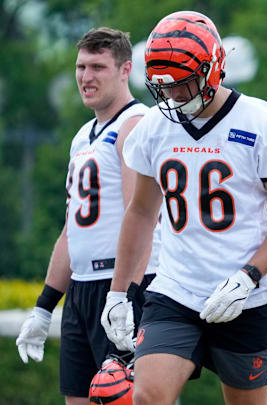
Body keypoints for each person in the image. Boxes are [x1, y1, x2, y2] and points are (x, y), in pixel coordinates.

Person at [99, 11, 267, 405]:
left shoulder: (262, 123)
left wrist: (247, 277)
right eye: (165, 85)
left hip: (245, 297)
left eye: (184, 83)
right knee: (146, 397)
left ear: (213, 69)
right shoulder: (153, 127)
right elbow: (142, 213)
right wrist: (118, 293)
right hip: (175, 289)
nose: (175, 95)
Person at [14, 27, 158, 405]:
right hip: (82, 288)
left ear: (125, 70)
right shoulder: (83, 136)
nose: (86, 77)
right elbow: (72, 230)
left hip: (121, 286)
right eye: (81, 66)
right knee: (78, 399)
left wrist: (126, 294)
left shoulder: (136, 124)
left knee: (126, 399)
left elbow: (141, 217)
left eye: (98, 66)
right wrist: (45, 307)